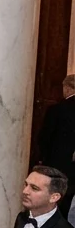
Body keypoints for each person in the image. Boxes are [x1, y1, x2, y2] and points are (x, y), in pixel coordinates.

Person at [40, 75, 75, 206]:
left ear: (67, 88)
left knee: (55, 197)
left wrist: (43, 158)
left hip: (58, 162)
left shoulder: (57, 109)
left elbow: (45, 137)